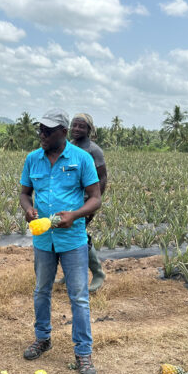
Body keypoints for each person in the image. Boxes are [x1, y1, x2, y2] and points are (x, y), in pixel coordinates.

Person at [19, 109, 102, 374]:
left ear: (63, 132)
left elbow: (95, 198)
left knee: (79, 296)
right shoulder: (32, 159)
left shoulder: (82, 158)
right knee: (41, 290)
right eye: (40, 130)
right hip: (43, 239)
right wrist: (28, 209)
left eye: (48, 131)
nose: (42, 135)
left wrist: (75, 215)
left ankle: (83, 353)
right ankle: (42, 339)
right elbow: (24, 193)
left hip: (72, 239)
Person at [67, 113, 107, 293]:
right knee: (69, 235)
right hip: (70, 199)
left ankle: (97, 272)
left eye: (81, 126)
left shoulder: (93, 150)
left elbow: (102, 178)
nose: (76, 129)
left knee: (79, 235)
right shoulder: (69, 145)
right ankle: (70, 272)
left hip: (85, 201)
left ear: (89, 129)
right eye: (74, 125)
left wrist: (92, 202)